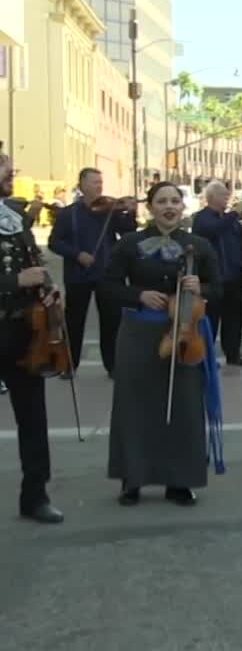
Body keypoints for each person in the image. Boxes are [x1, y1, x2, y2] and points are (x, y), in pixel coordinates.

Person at [103, 182, 222, 506]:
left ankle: (180, 481)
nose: (169, 206)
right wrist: (137, 294)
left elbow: (221, 287)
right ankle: (132, 479)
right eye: (161, 201)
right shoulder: (130, 243)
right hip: (139, 333)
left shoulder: (199, 245)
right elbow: (107, 284)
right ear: (150, 207)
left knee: (183, 408)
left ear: (182, 207)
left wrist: (203, 288)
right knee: (135, 407)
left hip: (185, 333)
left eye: (174, 201)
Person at [0, 161, 63, 523]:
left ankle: (36, 496)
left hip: (24, 331)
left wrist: (48, 288)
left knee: (34, 419)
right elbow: (19, 274)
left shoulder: (13, 214)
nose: (12, 175)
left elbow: (34, 261)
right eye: (5, 170)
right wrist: (15, 282)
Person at [48, 167, 137, 377]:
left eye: (100, 182)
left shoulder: (110, 210)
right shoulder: (69, 214)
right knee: (74, 321)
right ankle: (70, 364)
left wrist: (130, 211)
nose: (99, 186)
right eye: (94, 182)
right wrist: (77, 254)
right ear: (82, 186)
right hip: (78, 275)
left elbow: (128, 231)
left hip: (106, 275)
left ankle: (113, 365)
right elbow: (55, 242)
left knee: (111, 321)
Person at [191, 181, 242, 366]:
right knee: (210, 320)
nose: (227, 198)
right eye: (223, 195)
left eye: (228, 195)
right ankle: (206, 357)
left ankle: (233, 354)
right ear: (212, 197)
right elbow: (213, 230)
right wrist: (235, 213)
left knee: (234, 319)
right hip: (213, 278)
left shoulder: (229, 219)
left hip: (234, 276)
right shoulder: (202, 218)